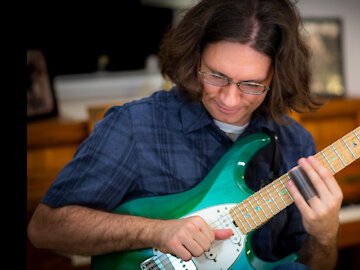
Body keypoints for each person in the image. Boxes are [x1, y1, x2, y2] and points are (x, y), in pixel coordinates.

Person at [27, 0, 343, 269]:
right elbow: (44, 229)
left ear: (278, 78)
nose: (230, 100)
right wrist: (155, 232)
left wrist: (325, 237)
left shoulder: (294, 142)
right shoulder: (135, 127)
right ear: (194, 59)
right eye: (216, 76)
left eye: (252, 84)